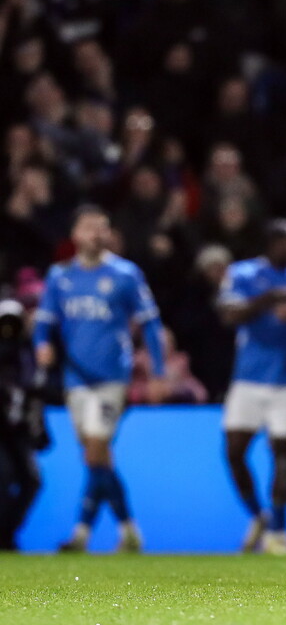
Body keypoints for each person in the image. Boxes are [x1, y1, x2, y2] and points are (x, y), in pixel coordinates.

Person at [33, 205, 166, 552]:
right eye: (89, 228)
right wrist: (41, 345)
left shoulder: (125, 274)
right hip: (75, 378)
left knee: (95, 452)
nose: (96, 234)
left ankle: (81, 533)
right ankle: (128, 529)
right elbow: (44, 322)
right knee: (98, 457)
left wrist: (158, 369)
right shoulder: (59, 277)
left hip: (111, 377)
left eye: (102, 228)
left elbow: (150, 322)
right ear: (75, 234)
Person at [218, 219, 286, 554]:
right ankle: (258, 515)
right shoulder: (245, 273)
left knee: (282, 452)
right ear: (272, 242)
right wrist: (268, 300)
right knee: (234, 452)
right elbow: (229, 314)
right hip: (248, 378)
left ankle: (278, 531)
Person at [0, 298, 47, 551]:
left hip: (17, 430)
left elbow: (35, 394)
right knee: (4, 476)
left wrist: (39, 430)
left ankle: (7, 533)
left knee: (32, 480)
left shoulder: (27, 355)